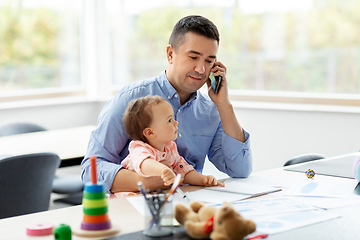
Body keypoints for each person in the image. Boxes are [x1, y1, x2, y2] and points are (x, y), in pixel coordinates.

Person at [81, 15, 253, 194]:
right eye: (193, 57)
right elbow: (91, 170)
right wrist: (155, 181)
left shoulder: (211, 111)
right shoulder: (130, 99)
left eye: (209, 61)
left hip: (188, 207)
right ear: (170, 54)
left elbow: (240, 170)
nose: (201, 69)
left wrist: (223, 104)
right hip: (136, 205)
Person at [122, 95, 224, 187]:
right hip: (132, 198)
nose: (176, 122)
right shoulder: (138, 148)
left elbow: (183, 170)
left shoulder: (170, 148)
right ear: (150, 133)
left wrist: (203, 180)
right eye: (169, 120)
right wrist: (162, 170)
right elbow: (144, 164)